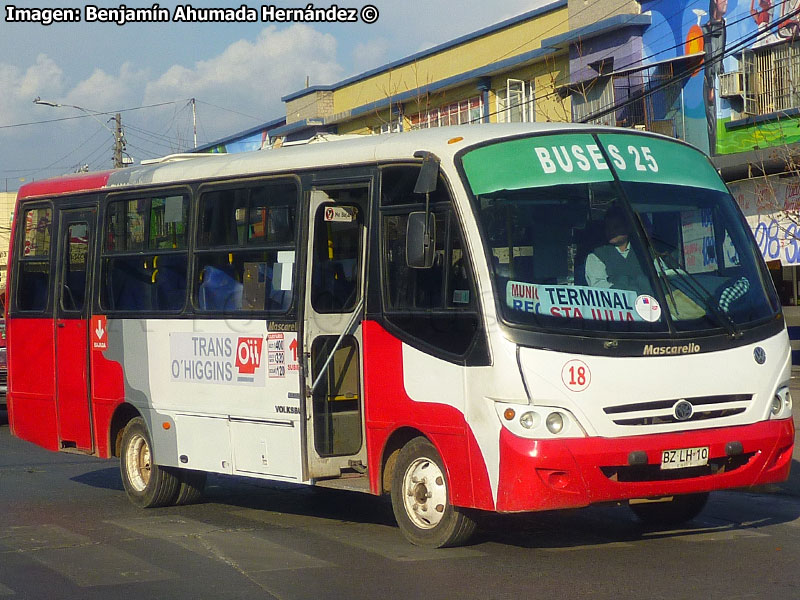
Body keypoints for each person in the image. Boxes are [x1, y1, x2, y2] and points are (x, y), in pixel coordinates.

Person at [585, 209, 649, 292]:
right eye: (608, 227)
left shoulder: (646, 252)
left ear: (628, 228)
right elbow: (598, 287)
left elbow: (661, 277)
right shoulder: (597, 256)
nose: (611, 231)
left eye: (616, 227)